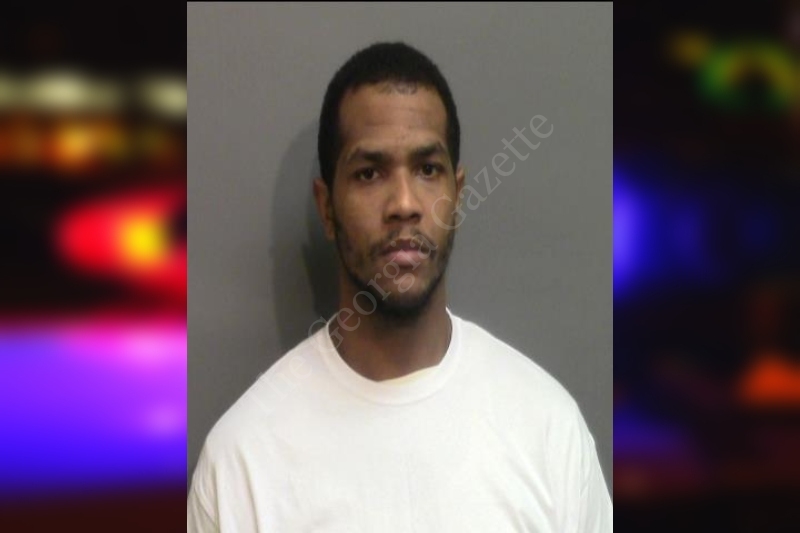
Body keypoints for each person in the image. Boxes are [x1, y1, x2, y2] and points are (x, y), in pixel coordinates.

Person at [188, 41, 612, 532]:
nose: (405, 204)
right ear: (327, 208)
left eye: (428, 169)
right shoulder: (240, 466)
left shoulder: (549, 431)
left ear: (457, 194)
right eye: (369, 173)